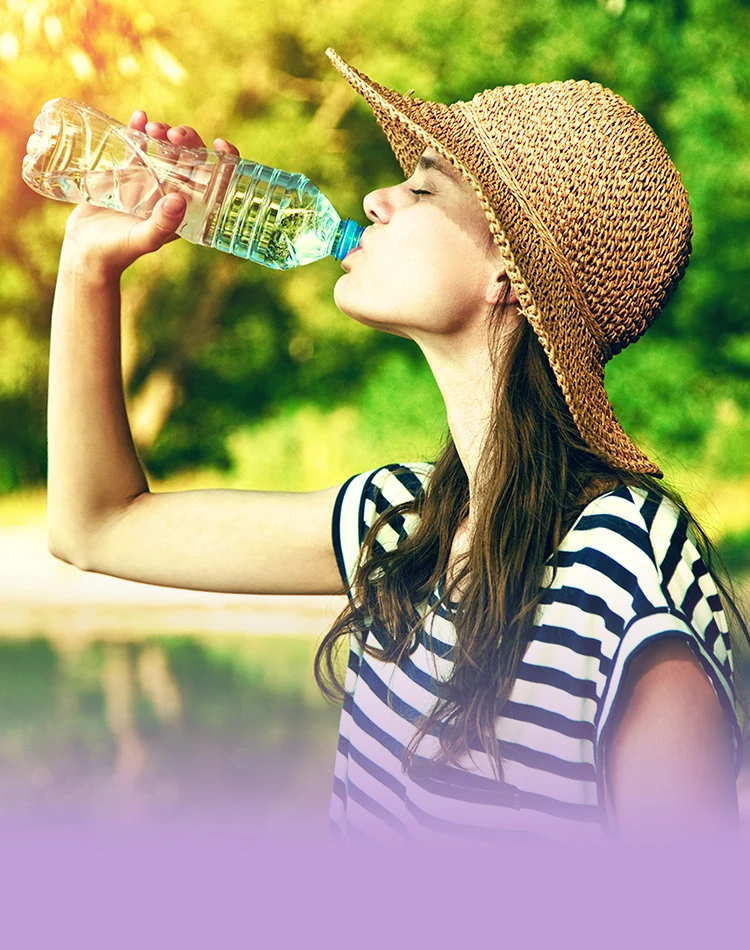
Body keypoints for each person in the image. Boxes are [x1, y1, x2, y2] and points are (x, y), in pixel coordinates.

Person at [47, 48, 746, 845]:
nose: (378, 198)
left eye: (422, 186)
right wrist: (89, 267)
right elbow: (92, 528)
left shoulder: (626, 568)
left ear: (507, 276)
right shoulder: (397, 523)